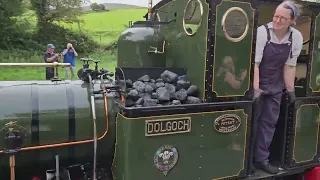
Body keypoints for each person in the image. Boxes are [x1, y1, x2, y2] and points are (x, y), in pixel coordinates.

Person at [253, 0, 303, 174]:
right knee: (253, 121)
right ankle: (246, 161)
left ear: (292, 21)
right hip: (257, 81)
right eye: (276, 16)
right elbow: (255, 64)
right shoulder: (262, 33)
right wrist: (256, 89)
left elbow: (289, 66)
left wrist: (290, 90)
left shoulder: (295, 37)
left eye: (283, 18)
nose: (277, 20)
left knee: (269, 123)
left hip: (275, 85)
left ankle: (261, 159)